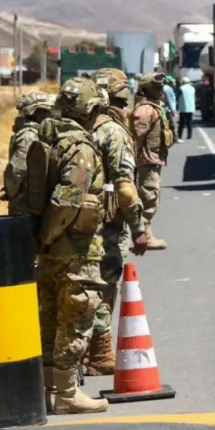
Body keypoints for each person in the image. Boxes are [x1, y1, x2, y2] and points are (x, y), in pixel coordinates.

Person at [34, 77, 111, 414]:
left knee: (50, 317)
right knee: (77, 318)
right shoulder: (80, 148)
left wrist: (41, 240)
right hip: (75, 251)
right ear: (88, 109)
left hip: (50, 251)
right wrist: (49, 235)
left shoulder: (45, 138)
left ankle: (48, 390)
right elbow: (67, 201)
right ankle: (65, 394)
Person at [84, 68, 149, 377]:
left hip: (69, 221)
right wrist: (139, 227)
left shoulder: (76, 126)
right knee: (103, 283)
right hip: (104, 224)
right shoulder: (113, 131)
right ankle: (98, 352)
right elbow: (124, 185)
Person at [132, 73, 173, 250]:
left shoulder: (154, 107)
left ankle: (146, 232)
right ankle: (144, 235)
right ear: (146, 89)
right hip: (146, 159)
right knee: (148, 196)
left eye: (162, 87)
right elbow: (137, 137)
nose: (161, 91)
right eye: (157, 88)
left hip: (153, 158)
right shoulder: (145, 110)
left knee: (151, 195)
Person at [2, 91, 55, 216]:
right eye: (46, 111)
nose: (49, 115)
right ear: (36, 112)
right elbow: (16, 171)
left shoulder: (32, 132)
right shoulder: (29, 136)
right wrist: (13, 194)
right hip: (25, 207)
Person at [177, 76, 196, 141]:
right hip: (191, 108)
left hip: (183, 108)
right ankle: (189, 136)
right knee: (189, 122)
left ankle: (179, 136)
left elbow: (177, 97)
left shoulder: (181, 88)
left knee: (181, 123)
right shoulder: (193, 88)